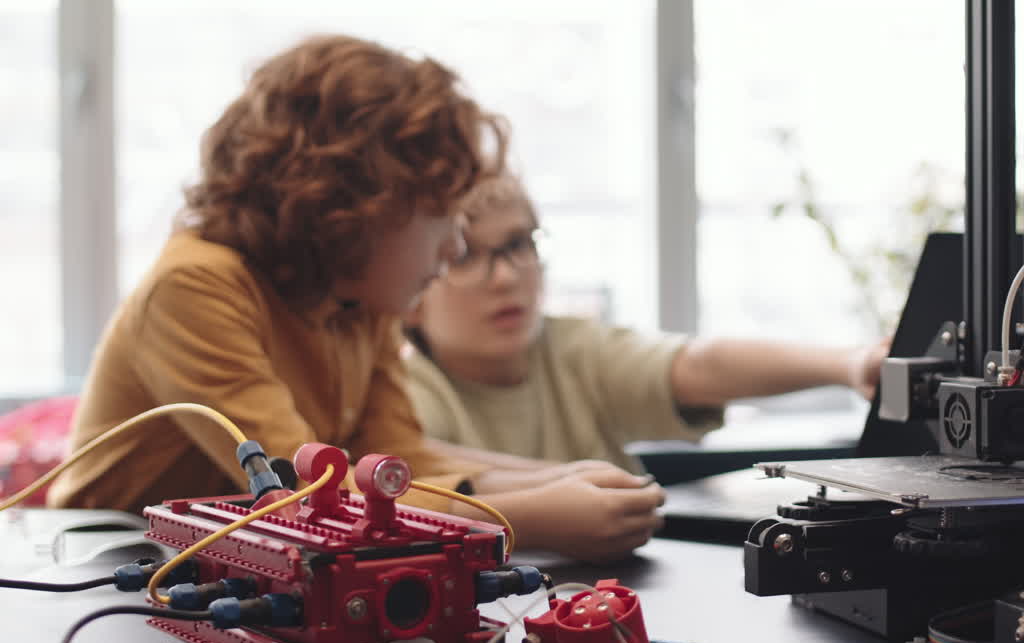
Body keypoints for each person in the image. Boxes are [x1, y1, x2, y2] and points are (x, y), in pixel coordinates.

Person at [47, 35, 663, 563]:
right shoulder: (194, 287)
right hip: (103, 564)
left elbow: (398, 465)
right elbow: (307, 497)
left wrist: (557, 479)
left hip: (229, 562)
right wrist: (530, 517)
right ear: (360, 206)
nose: (452, 251)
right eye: (441, 216)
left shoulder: (359, 300)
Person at [401, 172, 891, 474]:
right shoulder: (403, 390)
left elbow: (701, 365)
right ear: (413, 282)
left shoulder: (572, 348)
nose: (507, 277)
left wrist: (848, 365)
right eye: (465, 256)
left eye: (518, 244)